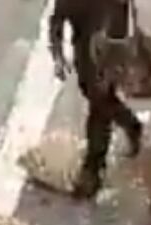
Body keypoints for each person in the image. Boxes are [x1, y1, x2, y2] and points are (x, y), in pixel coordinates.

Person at [49, 0, 144, 199]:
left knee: (99, 103)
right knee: (96, 95)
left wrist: (115, 55)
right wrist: (57, 55)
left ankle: (93, 167)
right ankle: (129, 122)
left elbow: (121, 18)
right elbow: (57, 19)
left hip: (108, 44)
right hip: (84, 45)